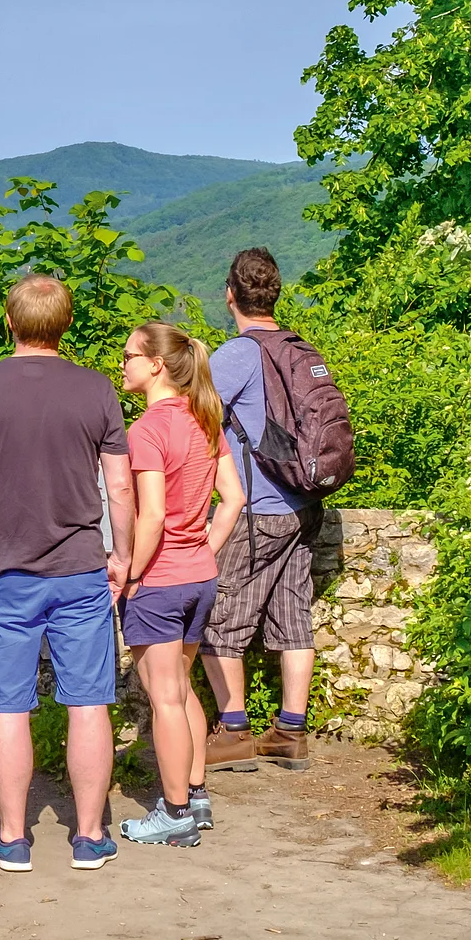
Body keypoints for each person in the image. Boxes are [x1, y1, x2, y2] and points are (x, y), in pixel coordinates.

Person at [0, 274, 135, 873]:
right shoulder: (98, 390)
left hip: (5, 573)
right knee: (88, 703)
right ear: (66, 324)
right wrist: (123, 553)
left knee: (8, 707)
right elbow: (120, 482)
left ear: (9, 323)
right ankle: (88, 836)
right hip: (80, 569)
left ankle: (11, 837)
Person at [115, 321, 246, 846]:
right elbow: (232, 499)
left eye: (128, 356)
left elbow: (150, 518)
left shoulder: (146, 431)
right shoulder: (207, 420)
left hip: (161, 580)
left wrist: (129, 576)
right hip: (199, 578)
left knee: (164, 697)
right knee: (183, 687)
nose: (121, 365)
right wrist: (204, 551)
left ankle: (173, 815)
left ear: (155, 365)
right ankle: (196, 796)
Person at [203, 247, 321, 771]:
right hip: (303, 504)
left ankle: (234, 733)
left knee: (217, 623)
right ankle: (289, 734)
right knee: (293, 619)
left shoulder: (236, 354)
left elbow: (192, 417)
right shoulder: (299, 349)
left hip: (258, 511)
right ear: (274, 293)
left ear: (230, 294)